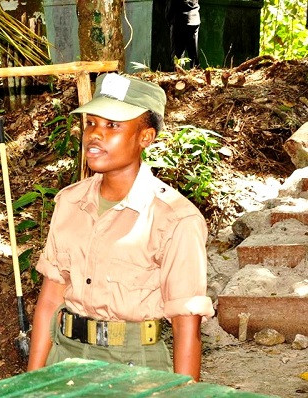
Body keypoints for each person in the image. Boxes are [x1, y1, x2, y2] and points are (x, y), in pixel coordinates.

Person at [27, 72, 214, 381]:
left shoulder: (175, 219)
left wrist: (185, 392)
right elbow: (50, 301)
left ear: (145, 137)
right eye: (92, 123)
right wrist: (32, 383)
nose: (95, 135)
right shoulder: (70, 203)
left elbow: (185, 325)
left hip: (134, 369)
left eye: (112, 126)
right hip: (65, 360)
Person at [166, 0, 201, 68]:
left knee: (177, 56)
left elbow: (171, 5)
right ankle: (195, 73)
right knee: (193, 55)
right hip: (194, 19)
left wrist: (169, 19)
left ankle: (178, 74)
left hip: (179, 20)